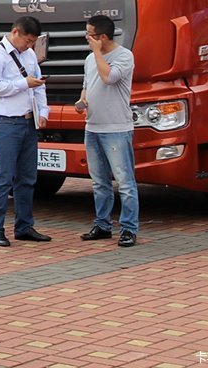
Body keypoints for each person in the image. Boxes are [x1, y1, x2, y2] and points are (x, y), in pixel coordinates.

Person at [0, 16, 51, 247]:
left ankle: (24, 226)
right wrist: (24, 84)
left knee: (28, 178)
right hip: (7, 122)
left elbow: (39, 84)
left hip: (29, 121)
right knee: (4, 178)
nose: (30, 45)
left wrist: (44, 111)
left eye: (33, 41)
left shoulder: (30, 55)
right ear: (15, 33)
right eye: (28, 40)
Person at [74, 15, 139, 247]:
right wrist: (82, 101)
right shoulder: (90, 59)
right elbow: (87, 86)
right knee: (99, 181)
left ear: (102, 37)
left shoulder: (124, 56)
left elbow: (109, 78)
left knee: (124, 181)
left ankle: (129, 228)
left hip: (116, 128)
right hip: (92, 126)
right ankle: (102, 224)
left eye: (90, 34)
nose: (86, 38)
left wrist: (98, 53)